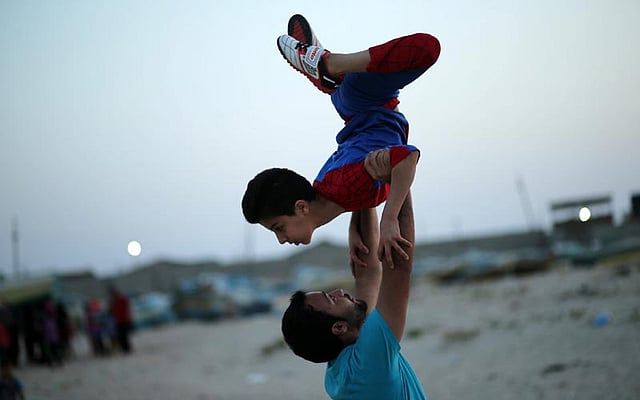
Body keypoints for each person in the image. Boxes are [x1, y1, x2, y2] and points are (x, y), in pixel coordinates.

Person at [242, 15, 440, 269]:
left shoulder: (341, 185)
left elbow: (407, 157)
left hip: (368, 100)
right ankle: (327, 74)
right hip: (353, 105)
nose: (281, 240)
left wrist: (388, 219)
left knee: (427, 48)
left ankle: (332, 65)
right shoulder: (329, 189)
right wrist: (355, 226)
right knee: (343, 84)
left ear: (301, 207)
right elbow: (359, 176)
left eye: (278, 228)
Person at [108, 287, 133, 354]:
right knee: (122, 336)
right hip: (119, 321)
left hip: (123, 320)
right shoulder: (114, 301)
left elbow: (126, 308)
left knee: (124, 336)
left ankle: (126, 348)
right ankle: (125, 348)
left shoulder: (121, 299)